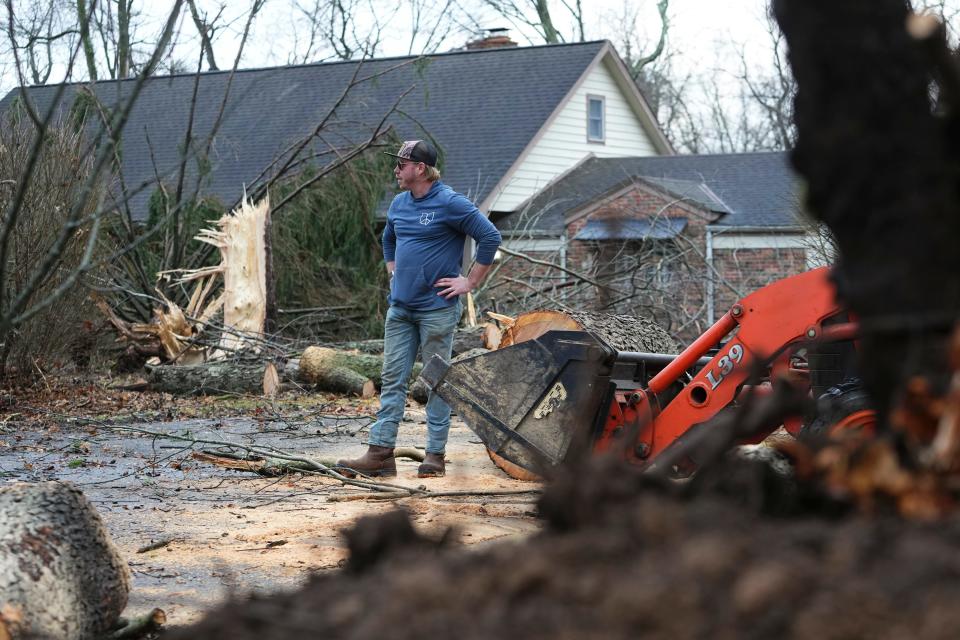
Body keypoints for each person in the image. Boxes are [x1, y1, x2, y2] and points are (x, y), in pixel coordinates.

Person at [337, 140, 501, 478]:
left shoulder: (450, 203)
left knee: (436, 381)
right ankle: (380, 454)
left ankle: (435, 455)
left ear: (420, 169)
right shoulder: (399, 203)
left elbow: (490, 237)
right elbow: (389, 238)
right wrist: (392, 268)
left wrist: (468, 283)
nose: (396, 170)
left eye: (401, 164)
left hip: (436, 310)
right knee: (392, 379)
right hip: (400, 310)